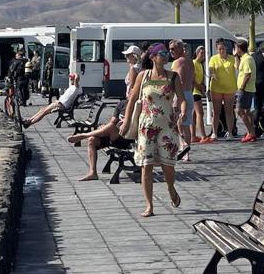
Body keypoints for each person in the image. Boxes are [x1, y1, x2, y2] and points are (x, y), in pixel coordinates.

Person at [119, 43, 187, 217]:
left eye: (166, 53)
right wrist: (126, 122)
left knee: (168, 167)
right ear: (153, 57)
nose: (165, 56)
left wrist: (183, 109)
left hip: (167, 127)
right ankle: (149, 205)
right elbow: (132, 100)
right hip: (146, 127)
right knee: (146, 166)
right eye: (161, 53)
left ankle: (170, 187)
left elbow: (181, 98)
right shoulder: (143, 76)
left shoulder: (173, 77)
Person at [69, 97, 131, 181]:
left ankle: (83, 135)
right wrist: (104, 127)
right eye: (127, 87)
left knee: (111, 127)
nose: (128, 90)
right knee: (92, 140)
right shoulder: (122, 104)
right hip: (113, 135)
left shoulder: (138, 105)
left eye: (131, 88)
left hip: (126, 139)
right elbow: (112, 121)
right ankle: (92, 172)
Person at [168, 39, 194, 158]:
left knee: (176, 124)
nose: (171, 51)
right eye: (170, 49)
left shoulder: (177, 62)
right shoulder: (190, 62)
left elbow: (174, 81)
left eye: (173, 49)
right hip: (189, 94)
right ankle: (186, 154)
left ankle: (182, 145)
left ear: (180, 48)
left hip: (180, 96)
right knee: (186, 125)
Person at [207, 39, 237, 139]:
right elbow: (211, 69)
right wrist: (213, 74)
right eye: (219, 49)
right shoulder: (213, 59)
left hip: (230, 88)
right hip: (216, 88)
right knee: (216, 111)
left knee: (229, 111)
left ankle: (230, 132)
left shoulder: (232, 58)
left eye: (223, 49)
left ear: (226, 49)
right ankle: (214, 133)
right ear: (216, 49)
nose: (221, 51)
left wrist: (236, 55)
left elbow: (237, 67)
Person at [235, 39, 258, 143]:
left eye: (236, 48)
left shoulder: (247, 59)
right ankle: (251, 133)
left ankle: (251, 132)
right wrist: (236, 56)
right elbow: (238, 67)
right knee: (247, 112)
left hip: (246, 89)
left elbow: (247, 74)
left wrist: (242, 87)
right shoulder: (244, 58)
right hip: (248, 89)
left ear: (239, 48)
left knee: (239, 111)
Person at [192, 45, 209, 142]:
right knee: (200, 113)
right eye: (201, 53)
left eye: (204, 53)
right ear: (197, 53)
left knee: (194, 114)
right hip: (194, 91)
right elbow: (193, 80)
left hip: (198, 90)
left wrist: (203, 87)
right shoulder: (194, 63)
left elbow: (201, 79)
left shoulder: (201, 64)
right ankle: (203, 136)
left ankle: (193, 135)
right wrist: (200, 89)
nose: (203, 55)